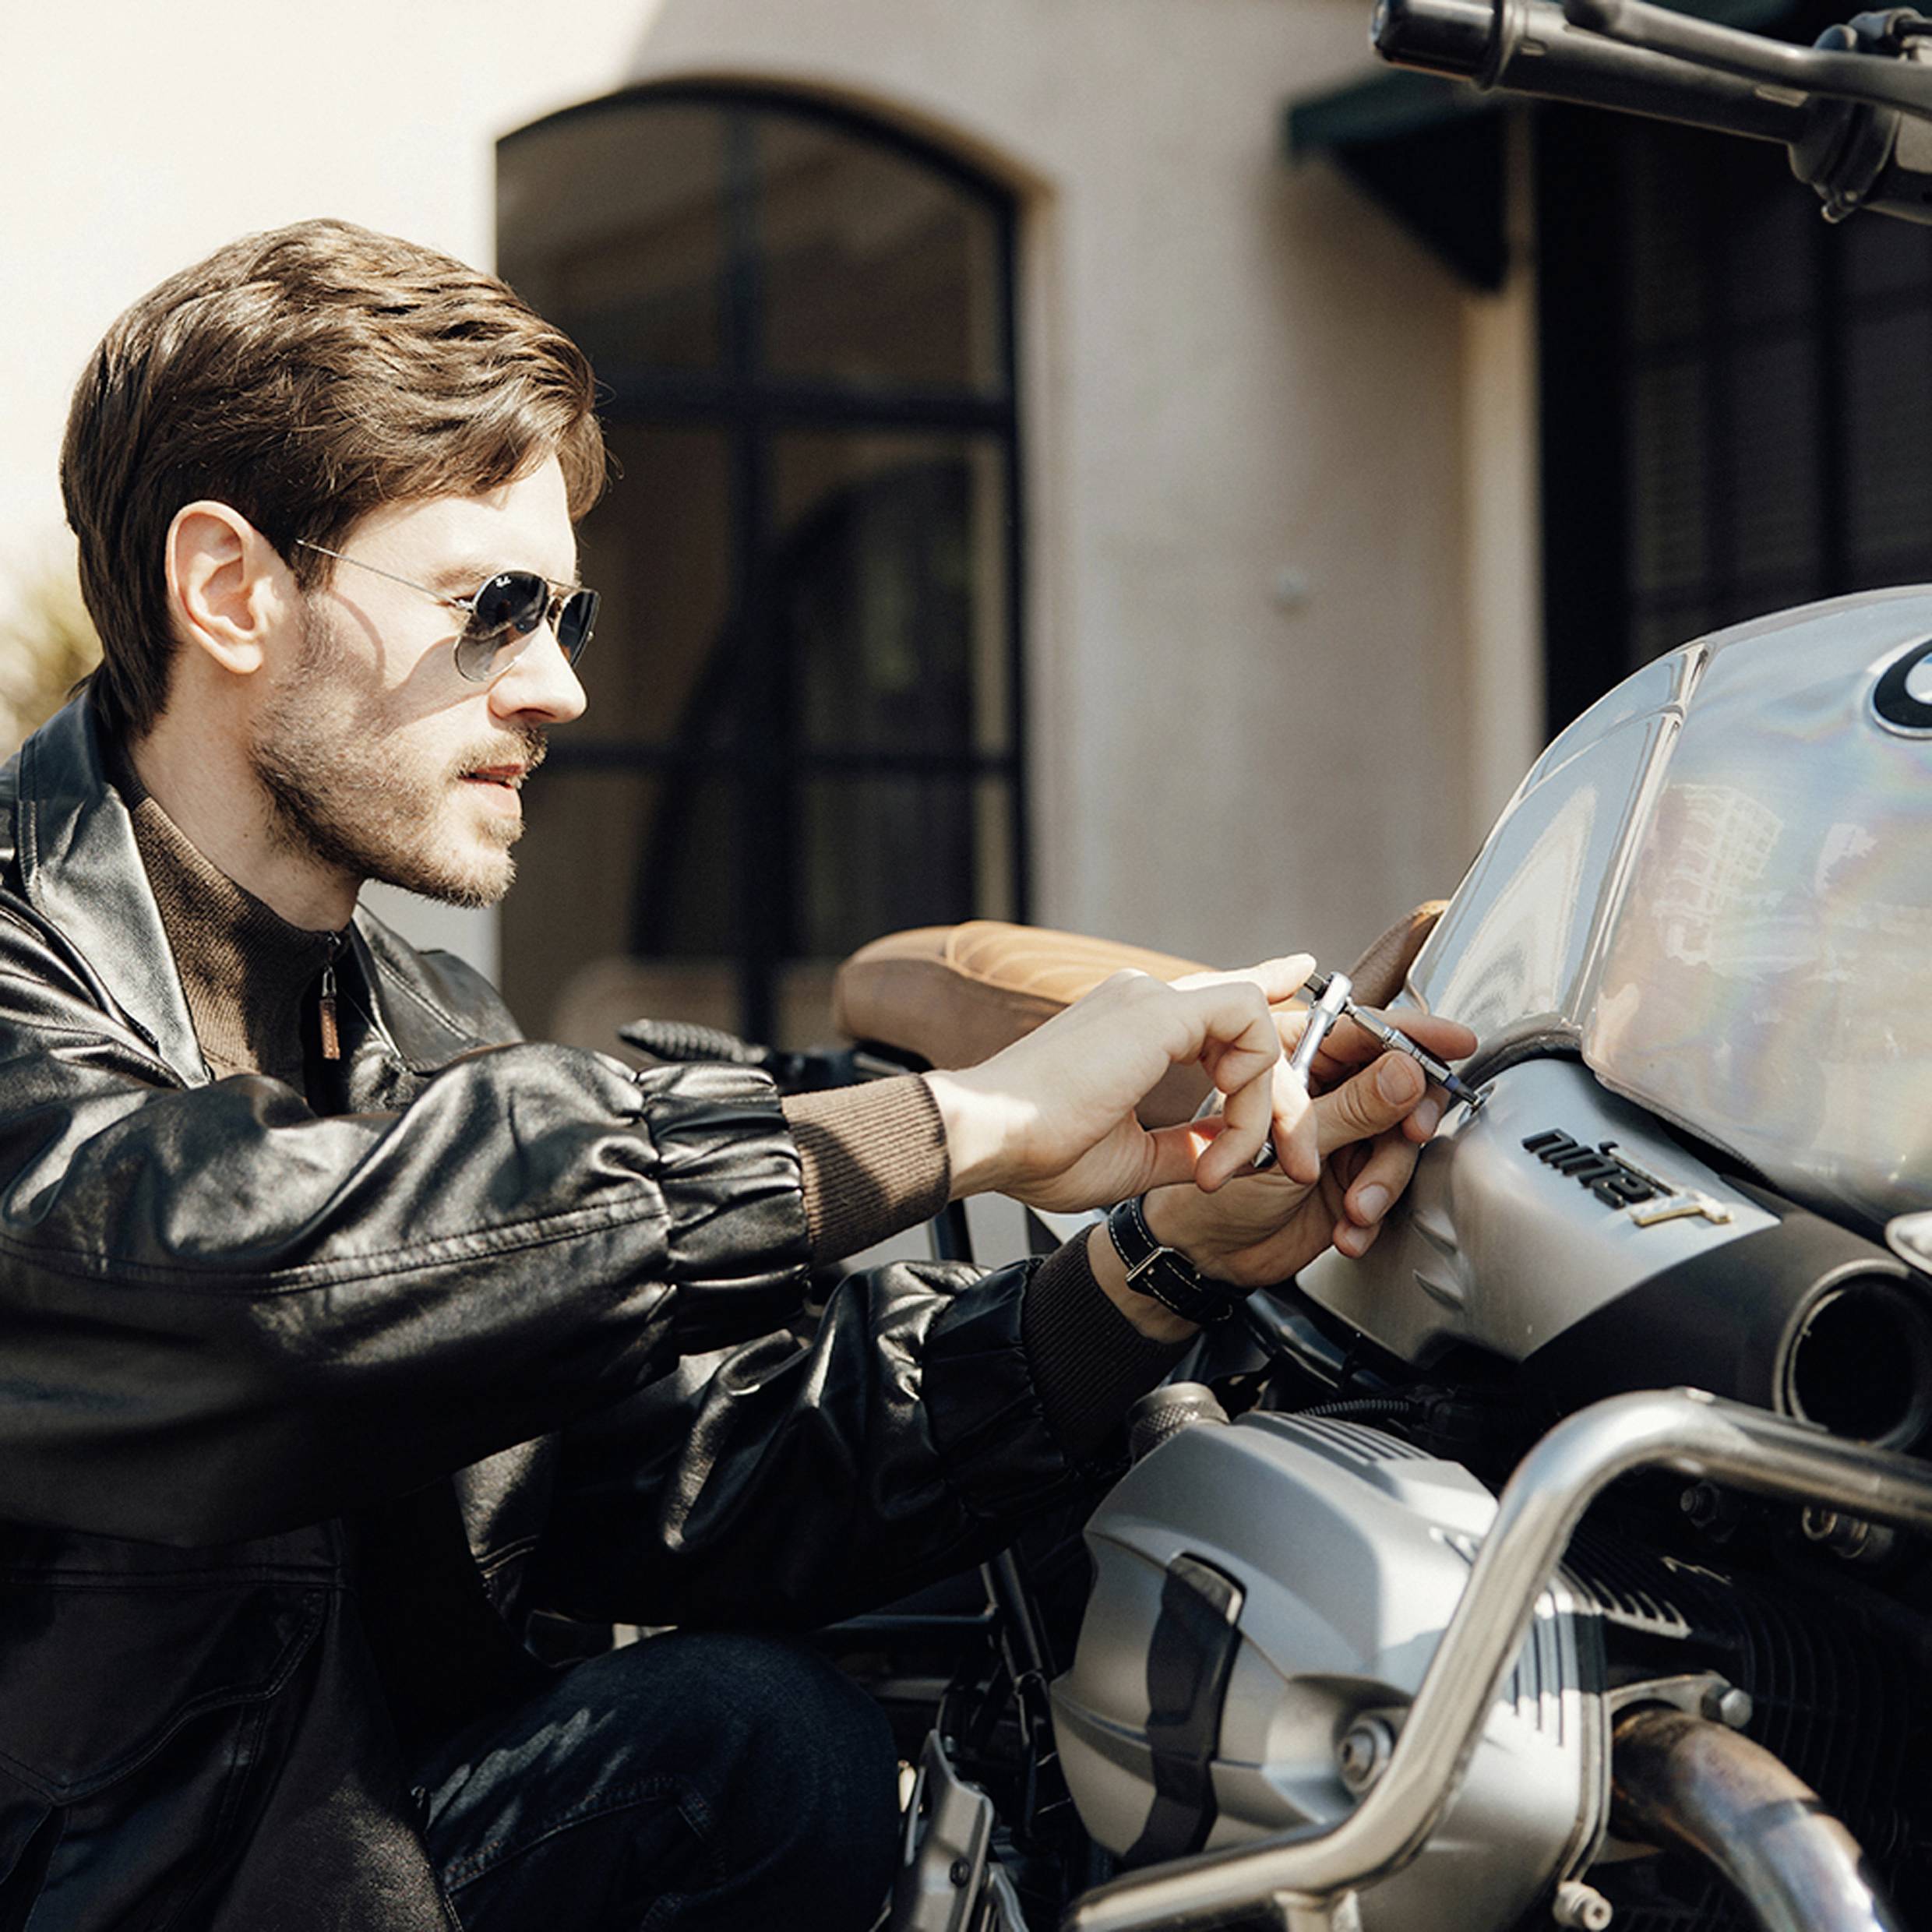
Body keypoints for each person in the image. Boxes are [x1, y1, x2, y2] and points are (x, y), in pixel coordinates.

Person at [1, 219, 1476, 1931]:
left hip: (375, 1869)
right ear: (231, 590)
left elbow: (692, 1476)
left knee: (749, 1742)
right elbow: (253, 1277)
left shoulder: (423, 1033)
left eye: (568, 613)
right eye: (491, 610)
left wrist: (1156, 1262)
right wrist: (971, 1123)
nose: (556, 685)